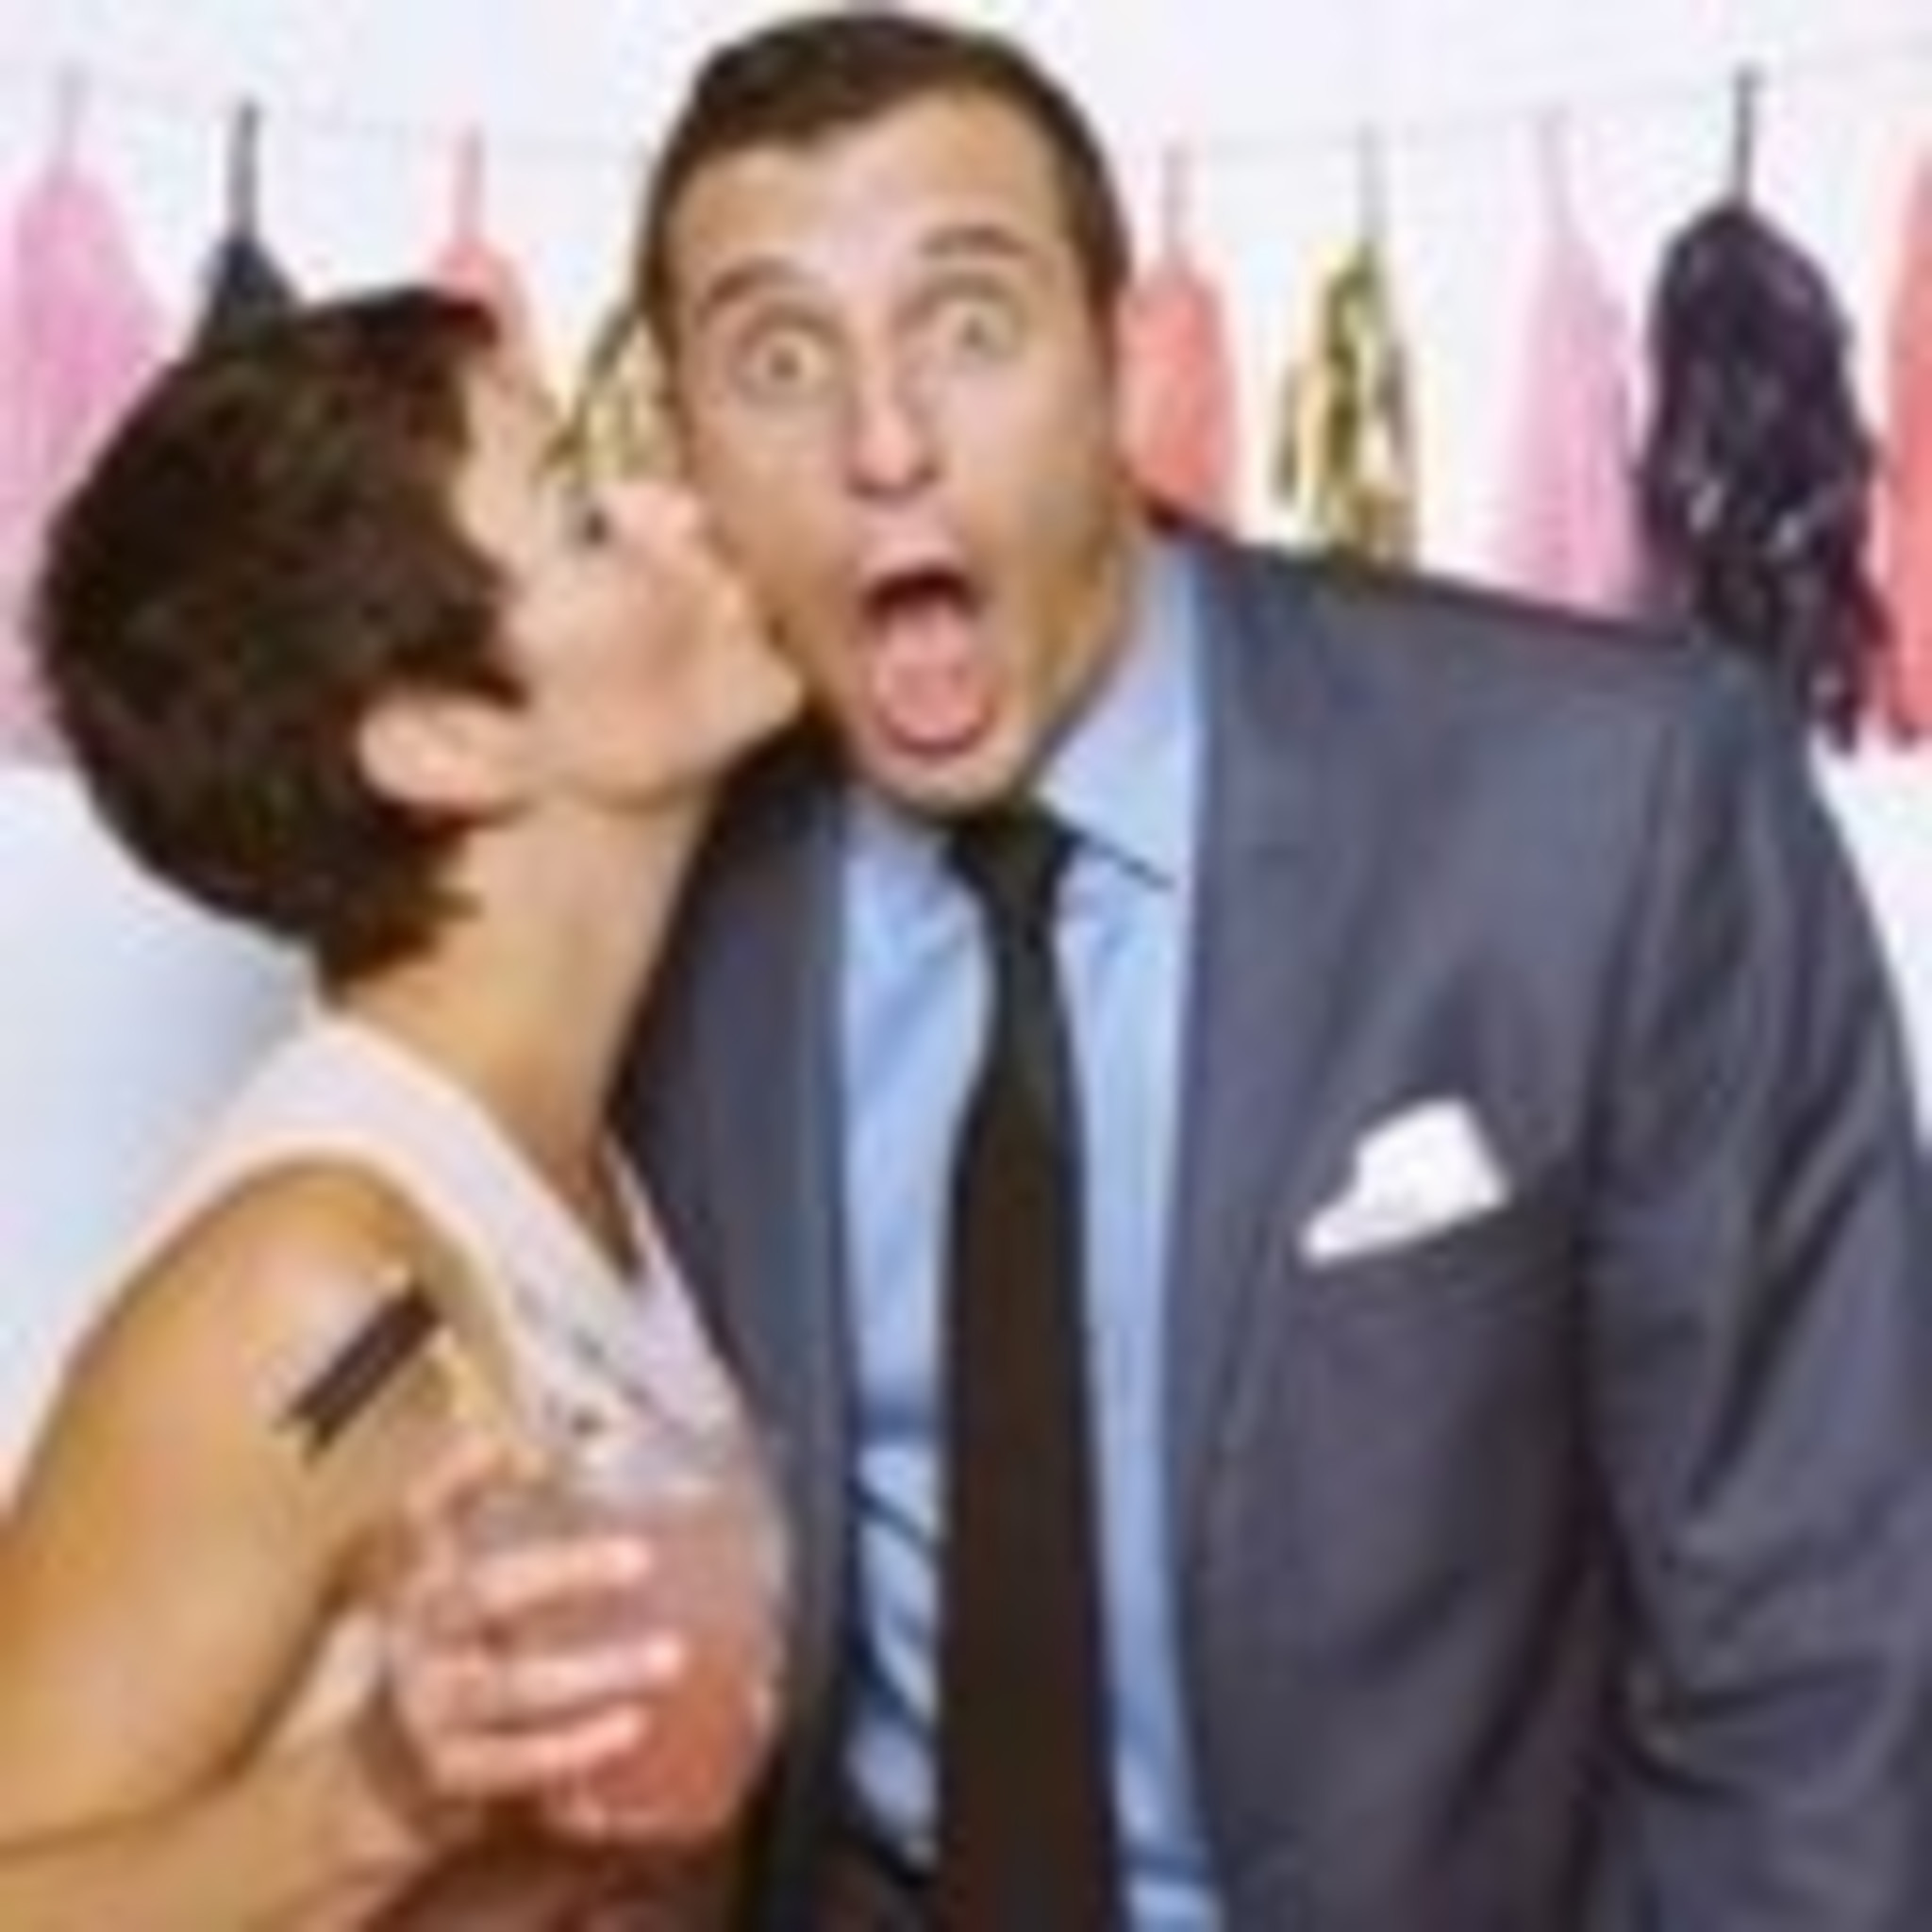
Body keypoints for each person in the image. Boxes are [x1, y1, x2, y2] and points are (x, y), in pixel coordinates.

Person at [597, 8, 1932, 1930]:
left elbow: (1815, 1649)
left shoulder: (1603, 806)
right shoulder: (658, 882)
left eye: (968, 326)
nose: (882, 444)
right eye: (779, 362)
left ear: (1119, 360)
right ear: (682, 447)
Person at [3, 285, 799, 1926]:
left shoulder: (565, 1170)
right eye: (586, 521)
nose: (678, 508)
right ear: (443, 740)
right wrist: (368, 1803)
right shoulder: (327, 1302)